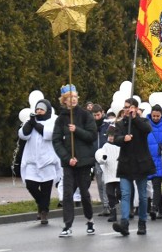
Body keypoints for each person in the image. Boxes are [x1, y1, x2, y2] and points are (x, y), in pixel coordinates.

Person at [52, 85, 98, 237]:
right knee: (67, 194)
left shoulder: (85, 115)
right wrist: (67, 158)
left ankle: (89, 219)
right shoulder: (60, 120)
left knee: (84, 193)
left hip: (84, 162)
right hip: (69, 164)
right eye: (69, 99)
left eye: (75, 98)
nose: (72, 101)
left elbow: (92, 136)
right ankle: (67, 225)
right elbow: (56, 141)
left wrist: (76, 130)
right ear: (64, 101)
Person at [111, 98, 155, 236]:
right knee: (125, 194)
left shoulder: (142, 122)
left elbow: (147, 129)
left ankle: (142, 222)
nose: (126, 110)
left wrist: (135, 118)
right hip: (126, 163)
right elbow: (113, 138)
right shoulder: (120, 124)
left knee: (142, 196)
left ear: (135, 108)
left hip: (141, 163)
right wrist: (123, 139)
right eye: (124, 107)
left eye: (128, 107)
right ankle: (124, 222)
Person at [18, 98, 61, 225]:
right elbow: (22, 134)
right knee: (30, 185)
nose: (39, 111)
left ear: (47, 110)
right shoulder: (31, 120)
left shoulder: (54, 120)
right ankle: (42, 204)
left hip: (48, 161)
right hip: (32, 161)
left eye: (41, 109)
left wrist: (36, 125)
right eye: (37, 109)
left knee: (46, 189)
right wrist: (30, 123)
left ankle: (43, 213)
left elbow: (50, 134)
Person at [95, 125, 121, 222]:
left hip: (118, 174)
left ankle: (117, 202)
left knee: (119, 193)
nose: (111, 137)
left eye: (113, 135)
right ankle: (113, 213)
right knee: (110, 194)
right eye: (109, 135)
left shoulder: (119, 146)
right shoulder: (105, 146)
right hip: (109, 175)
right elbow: (101, 157)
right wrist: (103, 158)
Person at [92, 104, 112, 217]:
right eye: (94, 115)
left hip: (107, 157)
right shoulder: (91, 125)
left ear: (102, 113)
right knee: (99, 182)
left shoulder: (108, 124)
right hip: (96, 157)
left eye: (98, 115)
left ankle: (108, 204)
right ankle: (105, 206)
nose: (96, 117)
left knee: (106, 182)